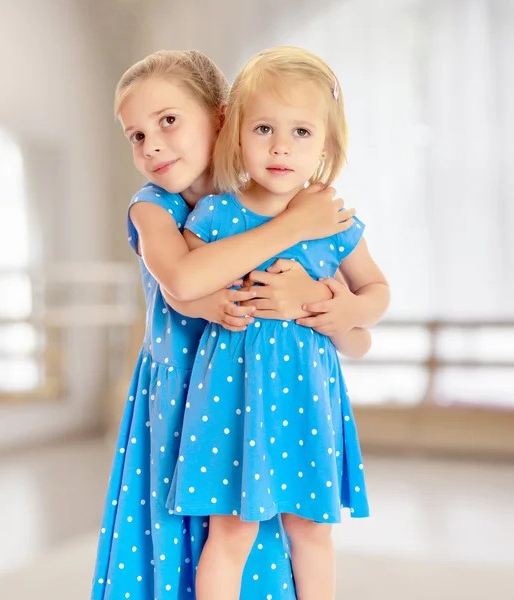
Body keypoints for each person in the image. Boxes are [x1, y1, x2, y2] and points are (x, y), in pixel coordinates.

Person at [91, 49, 370, 600]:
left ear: (223, 118)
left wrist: (316, 296)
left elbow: (351, 318)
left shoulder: (259, 198)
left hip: (251, 401)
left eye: (168, 121)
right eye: (136, 136)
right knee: (186, 542)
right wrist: (294, 225)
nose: (152, 146)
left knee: (259, 542)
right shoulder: (155, 207)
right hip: (177, 404)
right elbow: (185, 281)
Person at [168, 46, 390, 600]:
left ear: (326, 145)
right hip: (230, 397)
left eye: (301, 132)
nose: (281, 147)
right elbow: (185, 287)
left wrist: (344, 310)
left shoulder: (336, 222)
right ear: (237, 134)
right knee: (230, 531)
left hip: (305, 398)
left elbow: (377, 293)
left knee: (311, 530)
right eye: (264, 127)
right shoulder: (217, 216)